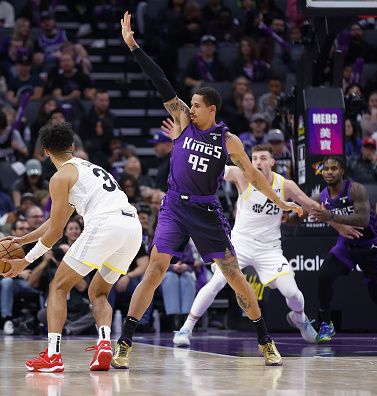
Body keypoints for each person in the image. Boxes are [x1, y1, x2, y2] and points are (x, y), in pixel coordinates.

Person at [112, 12, 302, 368]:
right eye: (191, 105)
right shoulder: (183, 120)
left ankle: (265, 339)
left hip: (205, 211)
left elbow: (254, 176)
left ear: (211, 109)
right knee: (155, 269)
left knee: (232, 275)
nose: (190, 108)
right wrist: (133, 46)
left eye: (196, 106)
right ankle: (125, 342)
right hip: (173, 207)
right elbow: (161, 81)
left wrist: (279, 200)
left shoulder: (227, 140)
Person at [171, 144, 354, 347]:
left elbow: (310, 205)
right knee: (216, 283)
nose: (258, 162)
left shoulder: (284, 185)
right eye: (255, 158)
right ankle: (186, 329)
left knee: (292, 293)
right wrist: (187, 154)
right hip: (240, 244)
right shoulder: (241, 175)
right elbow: (212, 167)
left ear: (272, 162)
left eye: (263, 158)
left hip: (269, 249)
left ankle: (300, 319)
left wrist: (338, 226)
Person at [0, 121, 142, 372]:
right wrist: (22, 240)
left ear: (44, 151)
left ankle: (53, 356)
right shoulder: (90, 168)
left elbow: (56, 232)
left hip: (105, 226)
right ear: (72, 146)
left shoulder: (60, 176)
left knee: (57, 286)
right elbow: (56, 221)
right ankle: (104, 344)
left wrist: (25, 260)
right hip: (132, 228)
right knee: (98, 292)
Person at [310, 156, 377, 344]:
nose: (329, 172)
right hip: (346, 244)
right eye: (326, 169)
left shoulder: (356, 189)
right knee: (324, 276)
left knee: (376, 294)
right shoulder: (322, 196)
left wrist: (330, 215)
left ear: (342, 171)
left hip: (371, 246)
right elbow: (305, 205)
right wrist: (290, 214)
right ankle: (326, 324)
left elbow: (362, 219)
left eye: (334, 168)